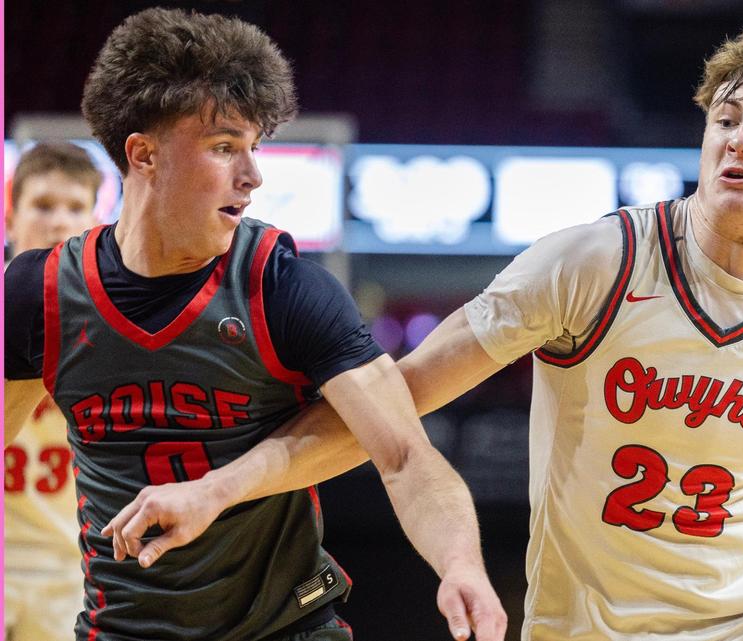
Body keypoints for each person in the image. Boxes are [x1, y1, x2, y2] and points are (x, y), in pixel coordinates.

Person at [99, 24, 743, 640]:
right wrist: (218, 485)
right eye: (726, 117)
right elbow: (393, 401)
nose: (740, 139)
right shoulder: (596, 260)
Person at [3, 8, 505, 641]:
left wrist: (460, 564)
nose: (254, 175)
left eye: (254, 147)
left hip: (284, 627)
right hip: (122, 629)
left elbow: (406, 455)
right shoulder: (38, 293)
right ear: (143, 154)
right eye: (224, 147)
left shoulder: (282, 285)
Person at [5, 142, 103, 641]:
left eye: (74, 208)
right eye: (43, 206)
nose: (59, 223)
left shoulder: (109, 326)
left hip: (69, 570)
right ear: (10, 216)